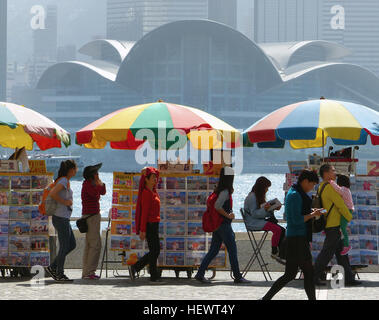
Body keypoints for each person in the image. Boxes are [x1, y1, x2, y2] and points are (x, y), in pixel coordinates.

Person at [262, 170, 324, 300]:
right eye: (312, 184)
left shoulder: (295, 192)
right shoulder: (295, 195)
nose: (312, 188)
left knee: (290, 274)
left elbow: (298, 212)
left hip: (295, 238)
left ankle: (265, 298)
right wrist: (313, 215)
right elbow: (296, 220)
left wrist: (312, 211)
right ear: (305, 181)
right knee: (308, 272)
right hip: (297, 239)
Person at [194, 166, 250, 284]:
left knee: (213, 250)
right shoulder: (225, 192)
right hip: (223, 225)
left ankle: (200, 273)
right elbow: (217, 206)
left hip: (217, 225)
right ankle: (237, 276)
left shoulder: (218, 189)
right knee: (232, 250)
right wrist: (229, 215)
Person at [313, 164, 361, 287]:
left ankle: (349, 278)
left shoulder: (321, 187)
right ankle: (312, 277)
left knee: (341, 253)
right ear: (326, 173)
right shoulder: (329, 187)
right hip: (334, 225)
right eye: (333, 171)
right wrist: (349, 216)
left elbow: (325, 208)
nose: (335, 173)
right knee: (327, 253)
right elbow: (339, 204)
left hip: (331, 224)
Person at [46, 160, 77, 282]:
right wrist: (65, 202)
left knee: (72, 244)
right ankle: (59, 273)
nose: (76, 170)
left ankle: (53, 267)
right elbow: (53, 193)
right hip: (60, 218)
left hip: (64, 218)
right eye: (75, 168)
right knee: (64, 246)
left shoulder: (64, 181)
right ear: (70, 170)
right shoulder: (63, 181)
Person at [129, 167, 162, 282]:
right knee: (155, 250)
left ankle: (153, 274)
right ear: (147, 180)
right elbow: (144, 213)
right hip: (150, 225)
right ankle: (137, 267)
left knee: (155, 250)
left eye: (155, 177)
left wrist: (148, 170)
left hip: (154, 224)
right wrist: (142, 230)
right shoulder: (146, 193)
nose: (155, 179)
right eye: (153, 177)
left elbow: (158, 172)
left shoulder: (153, 191)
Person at [244, 176, 285, 262]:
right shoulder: (252, 197)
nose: (267, 190)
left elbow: (259, 212)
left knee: (282, 230)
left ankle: (281, 252)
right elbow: (255, 214)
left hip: (257, 221)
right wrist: (265, 209)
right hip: (253, 222)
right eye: (266, 188)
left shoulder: (256, 196)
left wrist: (272, 208)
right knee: (277, 230)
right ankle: (274, 251)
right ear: (262, 187)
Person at [81, 163, 106, 280]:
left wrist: (100, 183)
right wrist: (98, 184)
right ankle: (89, 271)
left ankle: (86, 271)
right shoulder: (87, 185)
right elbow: (97, 193)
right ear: (92, 175)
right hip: (91, 217)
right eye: (96, 173)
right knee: (95, 245)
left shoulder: (90, 184)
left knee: (90, 245)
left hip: (93, 216)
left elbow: (103, 191)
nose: (98, 174)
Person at [329, 175, 354, 255]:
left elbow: (337, 189)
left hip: (347, 210)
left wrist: (331, 181)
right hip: (348, 210)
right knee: (342, 226)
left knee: (343, 227)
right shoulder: (347, 189)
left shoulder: (343, 189)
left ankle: (347, 245)